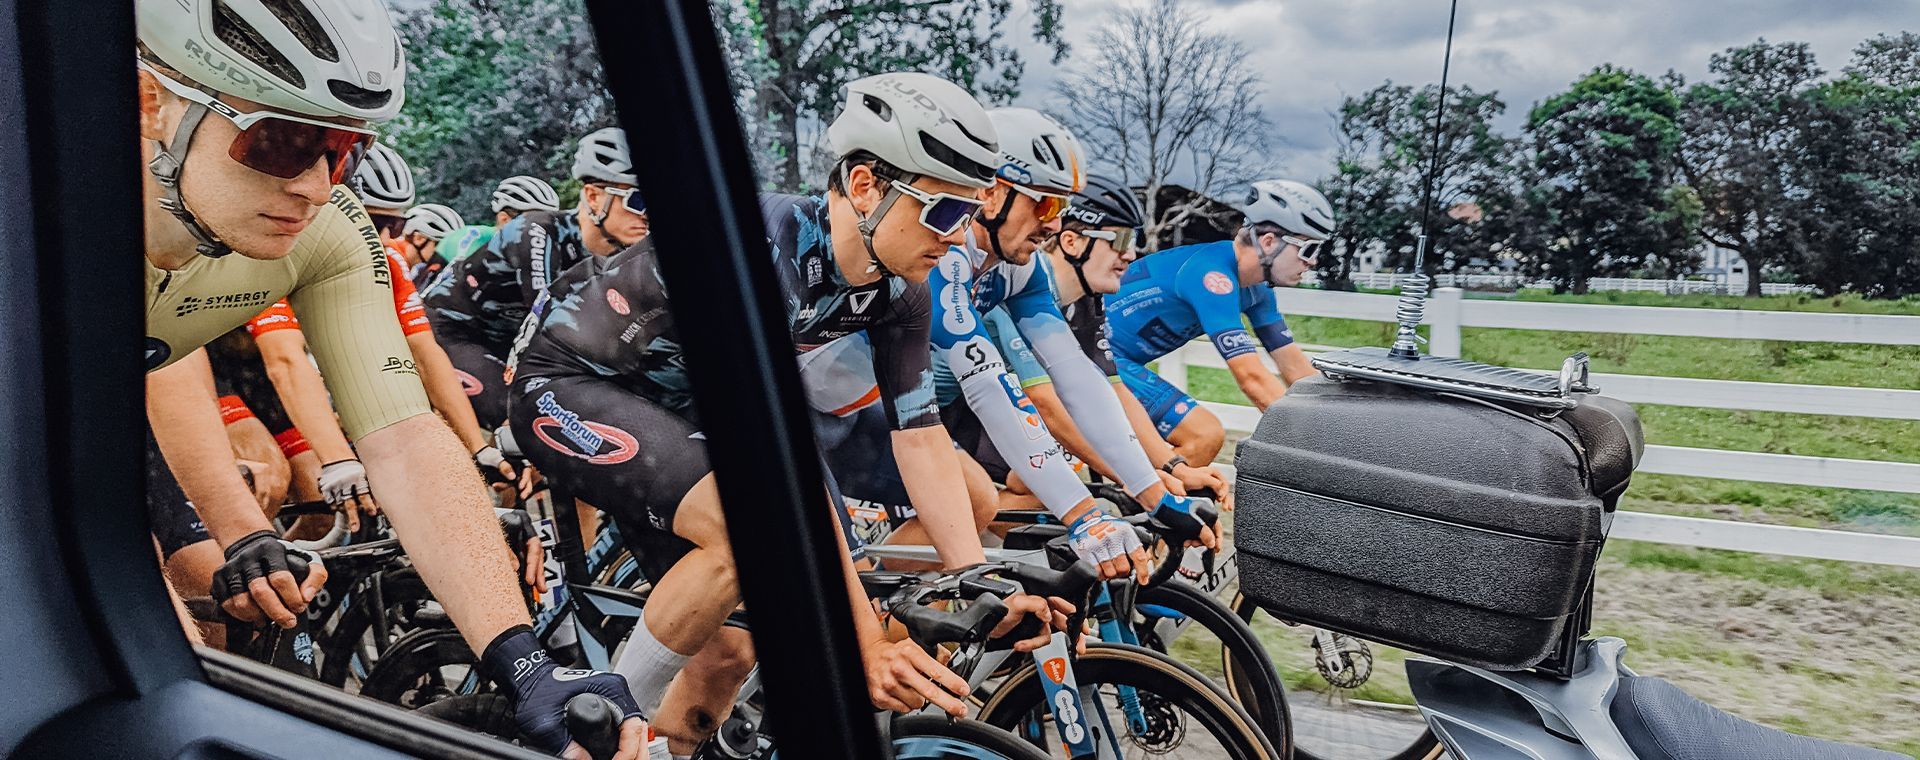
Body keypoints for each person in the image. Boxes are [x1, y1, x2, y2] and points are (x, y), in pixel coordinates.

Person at [132, 0, 643, 754]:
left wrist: (527, 664)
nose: (313, 184)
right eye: (279, 141)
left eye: (343, 152)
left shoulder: (330, 231)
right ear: (154, 104)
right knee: (145, 679)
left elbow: (403, 434)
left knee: (206, 632)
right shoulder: (47, 196)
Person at [508, 72, 1069, 754]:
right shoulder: (765, 249)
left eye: (970, 216)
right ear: (865, 187)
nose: (958, 238)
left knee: (726, 656)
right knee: (747, 536)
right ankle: (593, 737)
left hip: (678, 413)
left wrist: (973, 577)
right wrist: (858, 637)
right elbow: (781, 471)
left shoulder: (903, 294)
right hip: (570, 385)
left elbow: (921, 441)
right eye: (944, 214)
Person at [820, 109, 1218, 577]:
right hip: (816, 407)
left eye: (1062, 211)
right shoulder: (945, 258)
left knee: (975, 502)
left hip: (859, 410)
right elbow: (990, 386)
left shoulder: (1023, 271)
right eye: (1045, 205)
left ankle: (886, 622)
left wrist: (1157, 495)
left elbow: (1076, 376)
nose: (1053, 225)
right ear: (991, 194)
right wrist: (1084, 516)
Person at [1005, 171, 1234, 495]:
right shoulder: (1021, 288)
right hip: (959, 419)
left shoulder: (1088, 302)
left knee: (1060, 471)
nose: (1130, 255)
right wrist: (1142, 481)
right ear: (1071, 242)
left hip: (998, 418)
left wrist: (1173, 467)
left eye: (1135, 243)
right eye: (1121, 241)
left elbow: (1117, 393)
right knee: (1034, 482)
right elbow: (1046, 404)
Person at [421, 127, 649, 429]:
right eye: (638, 201)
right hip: (451, 331)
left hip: (504, 341)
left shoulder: (617, 259)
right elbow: (543, 320)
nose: (647, 215)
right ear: (593, 196)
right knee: (524, 418)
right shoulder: (536, 231)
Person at [1103, 178, 1333, 465]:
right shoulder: (1212, 276)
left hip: (1120, 361)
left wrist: (1332, 423)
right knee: (1203, 435)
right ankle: (1147, 501)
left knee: (1194, 440)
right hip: (1096, 357)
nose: (1312, 262)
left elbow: (1297, 370)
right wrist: (1320, 445)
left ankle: (1142, 494)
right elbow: (1252, 379)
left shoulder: (1257, 289)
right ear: (1269, 241)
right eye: (1308, 250)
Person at [399, 202, 464, 285]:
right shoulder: (390, 264)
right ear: (419, 239)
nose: (445, 255)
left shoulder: (414, 271)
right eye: (440, 245)